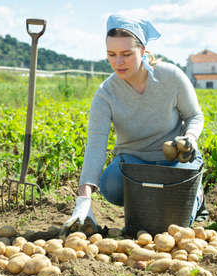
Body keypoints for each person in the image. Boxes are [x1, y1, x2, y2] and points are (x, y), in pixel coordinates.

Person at [61, 14, 207, 234]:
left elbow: (195, 115)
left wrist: (191, 138)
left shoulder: (170, 77)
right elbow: (95, 146)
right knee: (111, 184)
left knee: (177, 223)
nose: (118, 62)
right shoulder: (106, 94)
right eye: (112, 54)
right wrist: (83, 198)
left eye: (126, 54)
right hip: (134, 163)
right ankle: (147, 203)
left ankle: (194, 195)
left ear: (143, 49)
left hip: (175, 162)